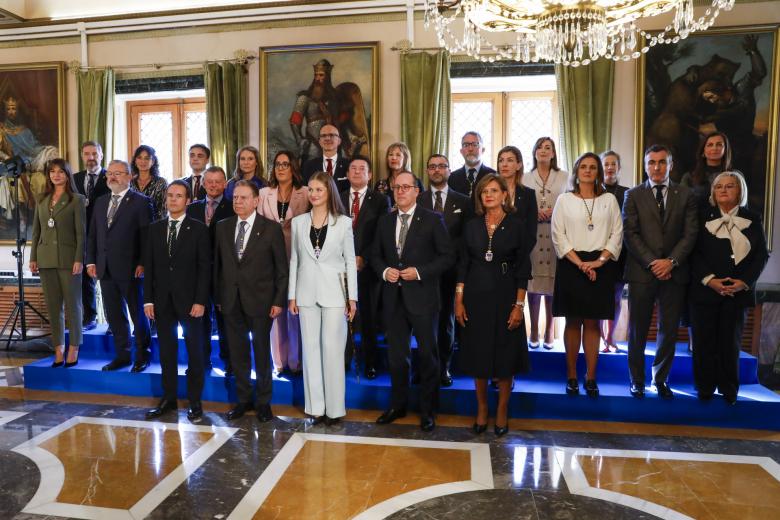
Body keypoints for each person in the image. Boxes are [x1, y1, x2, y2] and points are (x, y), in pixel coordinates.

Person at [371, 171, 454, 432]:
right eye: (397, 187)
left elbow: (447, 257)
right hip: (393, 298)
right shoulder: (384, 221)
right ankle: (398, 405)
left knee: (428, 357)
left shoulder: (432, 220)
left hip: (423, 298)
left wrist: (419, 272)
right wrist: (385, 271)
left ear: (417, 191)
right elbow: (374, 256)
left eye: (406, 187)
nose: (401, 191)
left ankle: (428, 411)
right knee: (397, 358)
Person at [455, 174, 530, 437]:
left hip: (506, 293)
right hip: (475, 296)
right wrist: (459, 299)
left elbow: (523, 268)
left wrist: (519, 305)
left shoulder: (517, 225)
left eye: (494, 190)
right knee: (478, 355)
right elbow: (463, 263)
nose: (488, 195)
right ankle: (482, 408)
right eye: (484, 191)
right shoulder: (472, 225)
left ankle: (502, 410)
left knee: (505, 355)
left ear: (504, 195)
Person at [623, 144, 698, 399]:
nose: (656, 167)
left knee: (668, 330)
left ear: (671, 165)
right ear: (645, 166)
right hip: (642, 273)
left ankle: (661, 379)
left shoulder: (686, 195)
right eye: (652, 162)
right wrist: (654, 263)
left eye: (662, 162)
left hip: (675, 274)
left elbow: (690, 234)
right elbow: (630, 234)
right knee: (638, 329)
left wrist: (671, 262)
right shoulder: (633, 195)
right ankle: (637, 380)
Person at [689, 171, 768, 404]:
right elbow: (694, 253)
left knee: (729, 343)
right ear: (713, 192)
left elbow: (760, 255)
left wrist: (743, 282)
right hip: (705, 291)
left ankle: (729, 389)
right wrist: (710, 280)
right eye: (719, 186)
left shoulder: (752, 218)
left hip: (736, 293)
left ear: (739, 190)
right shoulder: (702, 217)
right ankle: (704, 387)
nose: (723, 190)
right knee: (703, 343)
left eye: (729, 186)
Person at [213, 180, 288, 422]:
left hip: (262, 301)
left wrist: (278, 300)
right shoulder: (223, 227)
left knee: (261, 353)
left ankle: (264, 402)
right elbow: (219, 267)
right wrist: (219, 298)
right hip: (231, 301)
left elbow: (281, 270)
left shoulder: (271, 229)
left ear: (256, 201)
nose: (238, 202)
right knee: (238, 354)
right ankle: (243, 400)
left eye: (243, 198)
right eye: (235, 197)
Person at [551, 153, 623, 397]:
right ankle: (571, 375)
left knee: (593, 323)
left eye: (593, 167)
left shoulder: (610, 200)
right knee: (573, 321)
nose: (588, 171)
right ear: (576, 170)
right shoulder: (564, 200)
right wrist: (581, 263)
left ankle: (591, 377)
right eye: (584, 166)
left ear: (599, 172)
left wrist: (599, 261)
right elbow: (558, 235)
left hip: (601, 266)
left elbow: (616, 234)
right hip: (572, 264)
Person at [289, 172, 357, 424]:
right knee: (310, 350)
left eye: (319, 189)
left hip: (335, 293)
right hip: (305, 293)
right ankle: (316, 407)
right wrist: (292, 295)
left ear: (329, 192)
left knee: (332, 350)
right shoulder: (298, 222)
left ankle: (335, 409)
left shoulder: (344, 222)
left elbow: (350, 260)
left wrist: (353, 298)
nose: (314, 194)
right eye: (311, 189)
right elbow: (295, 260)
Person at [143, 181, 211, 421]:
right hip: (161, 302)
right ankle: (168, 398)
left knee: (195, 353)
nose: (173, 199)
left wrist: (201, 300)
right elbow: (149, 267)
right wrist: (147, 300)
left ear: (188, 200)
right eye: (170, 195)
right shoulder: (154, 229)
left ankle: (195, 401)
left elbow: (205, 269)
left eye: (179, 196)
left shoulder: (199, 229)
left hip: (191, 302)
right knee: (167, 353)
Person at [86, 159, 154, 372]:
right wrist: (91, 261)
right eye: (110, 173)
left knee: (137, 314)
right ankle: (122, 355)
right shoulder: (100, 202)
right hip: (105, 268)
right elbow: (93, 234)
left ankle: (143, 355)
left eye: (118, 173)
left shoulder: (141, 202)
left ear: (128, 176)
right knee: (115, 315)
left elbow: (147, 237)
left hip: (132, 269)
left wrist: (143, 262)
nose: (112, 177)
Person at [418, 154, 473, 387]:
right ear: (427, 171)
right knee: (423, 323)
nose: (437, 170)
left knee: (446, 322)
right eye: (432, 167)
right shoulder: (417, 199)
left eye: (442, 166)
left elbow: (467, 239)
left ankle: (444, 368)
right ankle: (424, 368)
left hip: (451, 272)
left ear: (449, 170)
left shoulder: (463, 201)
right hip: (423, 272)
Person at [29, 159, 86, 368]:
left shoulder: (77, 200)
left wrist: (79, 258)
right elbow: (36, 232)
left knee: (73, 306)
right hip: (45, 260)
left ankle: (74, 347)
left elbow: (81, 234)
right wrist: (33, 257)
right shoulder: (41, 199)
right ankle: (58, 348)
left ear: (67, 174)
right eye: (52, 172)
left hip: (69, 260)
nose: (56, 175)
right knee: (54, 308)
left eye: (61, 171)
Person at [258, 151, 309, 376]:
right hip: (269, 260)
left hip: (298, 257)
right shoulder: (263, 193)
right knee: (275, 311)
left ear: (293, 168)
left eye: (285, 164)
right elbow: (259, 226)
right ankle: (279, 362)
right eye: (277, 164)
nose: (280, 168)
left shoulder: (306, 193)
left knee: (295, 311)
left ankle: (296, 362)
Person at [339, 155, 390, 379]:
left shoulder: (380, 200)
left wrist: (364, 257)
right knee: (340, 317)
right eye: (353, 168)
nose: (357, 172)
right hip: (340, 269)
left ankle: (370, 363)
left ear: (370, 174)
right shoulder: (338, 198)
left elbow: (382, 234)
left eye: (362, 169)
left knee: (368, 319)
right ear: (348, 174)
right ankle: (343, 360)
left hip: (368, 269)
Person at [186, 166, 235, 374]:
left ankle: (230, 363)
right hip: (197, 274)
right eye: (210, 181)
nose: (213, 185)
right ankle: (201, 361)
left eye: (218, 181)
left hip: (224, 273)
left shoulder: (234, 207)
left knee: (226, 321)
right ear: (203, 184)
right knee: (199, 321)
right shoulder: (192, 209)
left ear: (225, 184)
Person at [523, 137, 568, 350]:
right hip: (532, 235)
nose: (543, 150)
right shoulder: (524, 178)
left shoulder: (565, 177)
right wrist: (534, 213)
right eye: (539, 147)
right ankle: (533, 329)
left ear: (553, 154)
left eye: (547, 147)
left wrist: (554, 211)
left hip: (555, 235)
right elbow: (520, 205)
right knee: (532, 285)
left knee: (552, 285)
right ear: (534, 152)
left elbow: (569, 203)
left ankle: (550, 330)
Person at [73, 141, 109, 331]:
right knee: (85, 280)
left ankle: (114, 321)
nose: (91, 157)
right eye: (87, 154)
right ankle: (90, 317)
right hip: (83, 236)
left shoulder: (109, 177)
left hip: (105, 236)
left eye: (95, 153)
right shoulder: (75, 179)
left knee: (108, 279)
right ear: (82, 156)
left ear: (101, 155)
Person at [600, 150, 629, 353]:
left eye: (613, 164)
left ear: (619, 167)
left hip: (620, 252)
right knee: (600, 299)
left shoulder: (628, 193)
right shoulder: (592, 191)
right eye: (606, 164)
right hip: (597, 252)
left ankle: (610, 338)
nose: (609, 167)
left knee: (617, 298)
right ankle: (601, 339)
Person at [496, 145, 538, 258]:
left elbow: (531, 232)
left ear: (519, 165)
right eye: (501, 160)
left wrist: (519, 255)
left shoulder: (528, 194)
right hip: (492, 256)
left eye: (510, 160)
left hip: (519, 258)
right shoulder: (488, 192)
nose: (504, 164)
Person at [680, 132, 732, 208]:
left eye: (719, 144)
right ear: (703, 151)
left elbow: (742, 206)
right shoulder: (689, 177)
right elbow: (681, 205)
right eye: (710, 145)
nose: (714, 148)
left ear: (726, 149)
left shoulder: (735, 176)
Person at [301, 124, 350, 192]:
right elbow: (306, 191)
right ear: (320, 142)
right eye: (323, 136)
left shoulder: (349, 165)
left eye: (332, 135)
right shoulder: (309, 166)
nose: (327, 138)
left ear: (339, 141)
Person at [448, 131, 496, 199]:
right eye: (466, 145)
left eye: (475, 144)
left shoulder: (493, 175)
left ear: (482, 150)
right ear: (461, 151)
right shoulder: (452, 178)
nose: (470, 149)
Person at [374, 142, 422, 206]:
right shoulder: (380, 185)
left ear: (405, 159)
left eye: (398, 155)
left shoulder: (416, 183)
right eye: (391, 154)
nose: (393, 158)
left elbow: (422, 207)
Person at [131, 144, 168, 221]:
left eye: (147, 158)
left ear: (153, 161)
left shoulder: (161, 183)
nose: (143, 161)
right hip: (132, 228)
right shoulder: (129, 183)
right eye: (139, 158)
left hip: (154, 227)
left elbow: (163, 211)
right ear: (135, 161)